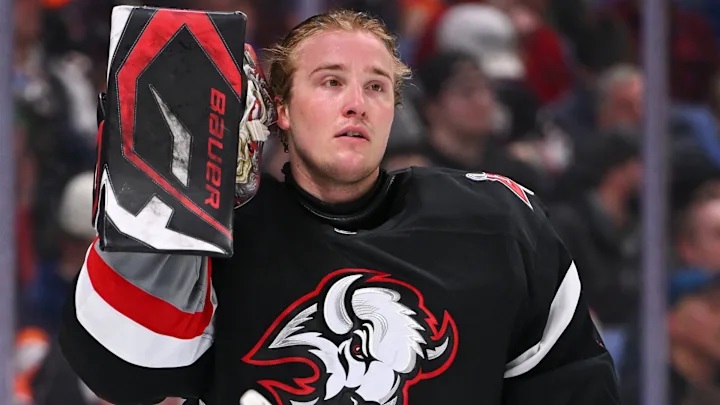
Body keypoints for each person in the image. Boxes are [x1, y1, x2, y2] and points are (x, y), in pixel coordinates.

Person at [59, 9, 620, 405]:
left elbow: (574, 385)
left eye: (377, 87)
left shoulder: (496, 221)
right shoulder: (223, 240)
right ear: (279, 110)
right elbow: (124, 370)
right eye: (330, 82)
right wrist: (173, 194)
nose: (356, 104)